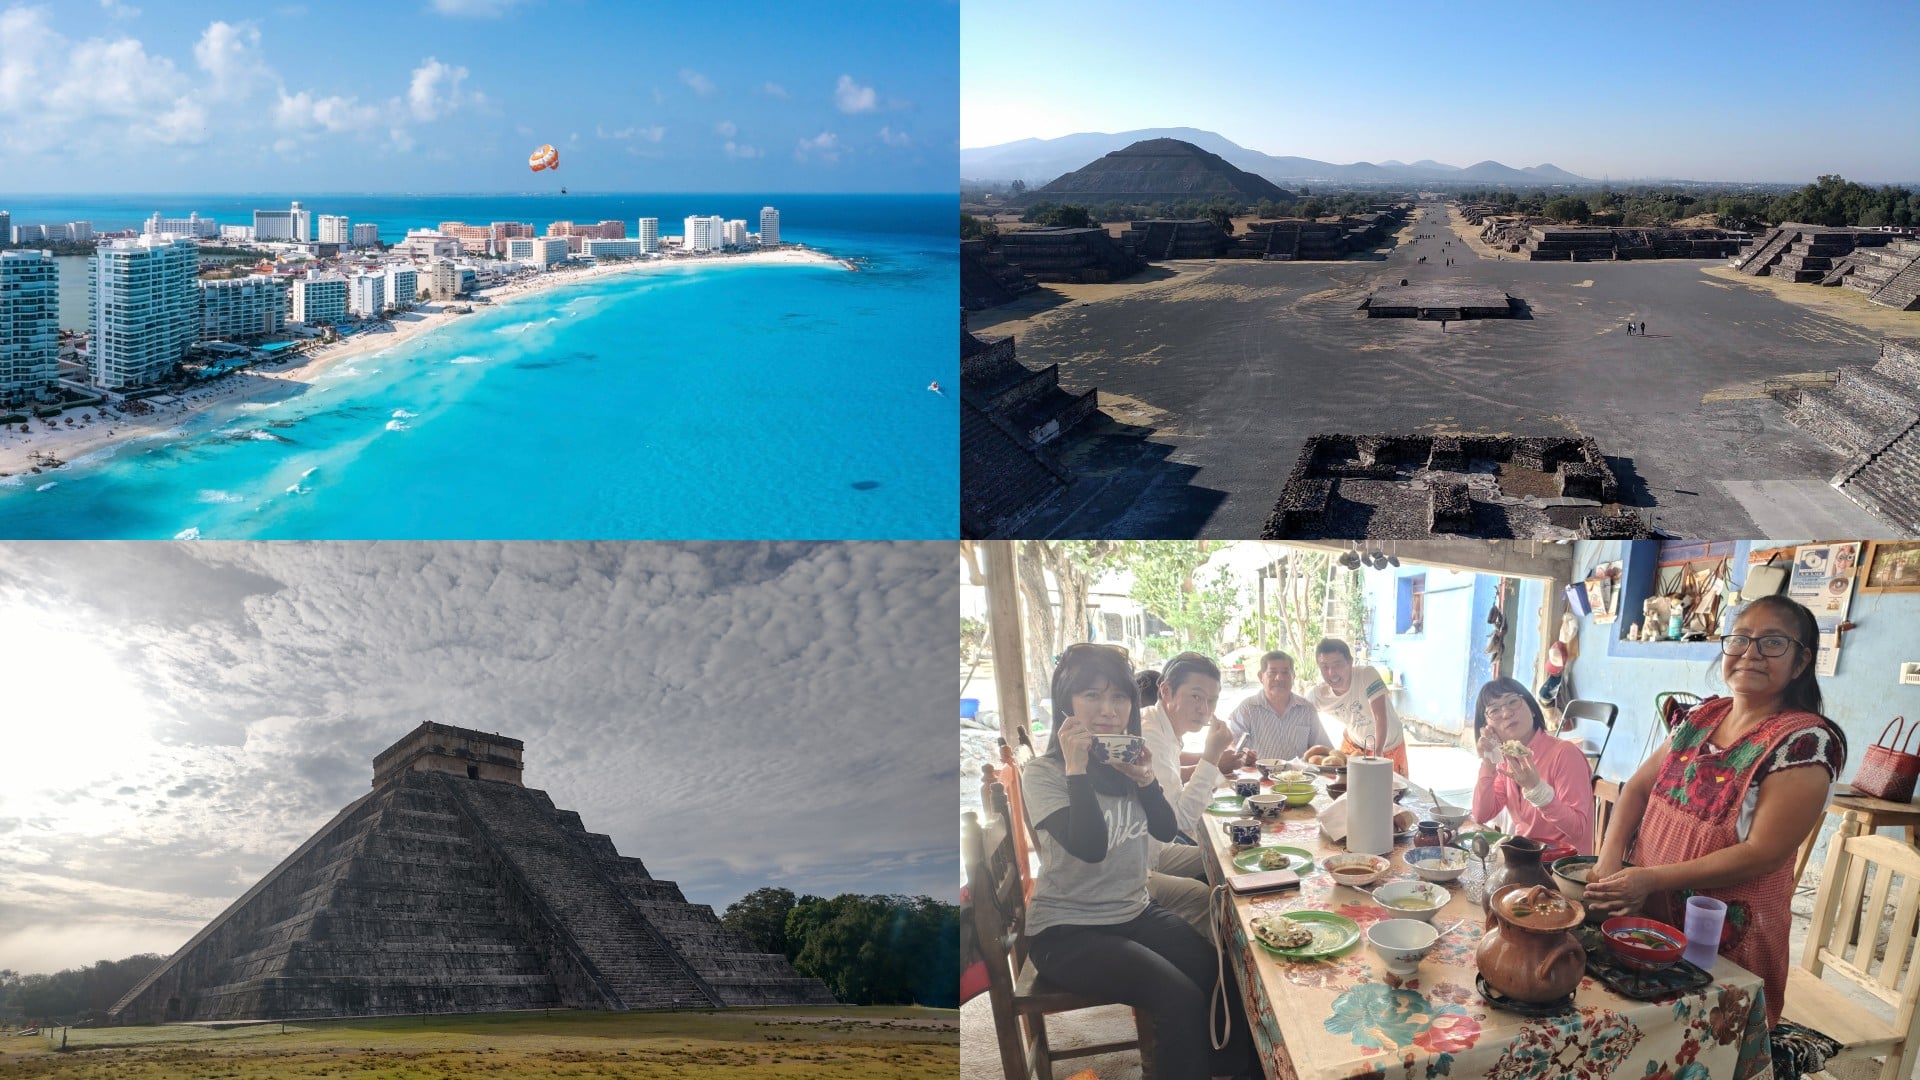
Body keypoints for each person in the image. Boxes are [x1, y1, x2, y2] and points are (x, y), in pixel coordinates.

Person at [1585, 595, 1846, 1029]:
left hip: (1724, 940)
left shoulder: (1804, 744)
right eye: (1740, 640)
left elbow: (1765, 853)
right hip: (1647, 915)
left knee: (1702, 1041)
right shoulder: (1700, 718)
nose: (1751, 654)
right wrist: (1609, 863)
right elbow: (1636, 789)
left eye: (1772, 643)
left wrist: (1651, 878)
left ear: (1801, 662)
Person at [1020, 644, 1252, 1080]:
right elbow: (1090, 846)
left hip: (1132, 910)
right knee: (1178, 997)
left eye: (1119, 697)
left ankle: (1229, 1069)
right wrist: (1076, 768)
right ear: (1066, 703)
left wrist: (1146, 780)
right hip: (1067, 932)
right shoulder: (1045, 772)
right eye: (1092, 696)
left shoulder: (1122, 761)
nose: (1108, 711)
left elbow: (1166, 831)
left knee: (1222, 972)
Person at [1139, 653, 1245, 937]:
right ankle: (1219, 971)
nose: (1205, 709)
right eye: (1196, 697)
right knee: (1201, 894)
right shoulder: (1150, 736)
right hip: (1135, 865)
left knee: (1228, 857)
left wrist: (1211, 760)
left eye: (1212, 700)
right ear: (1166, 690)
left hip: (1151, 849)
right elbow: (1179, 821)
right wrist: (1212, 754)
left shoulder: (1161, 726)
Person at [1469, 678, 1594, 854]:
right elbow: (1482, 814)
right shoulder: (1508, 757)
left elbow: (1578, 829)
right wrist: (1489, 763)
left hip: (1562, 866)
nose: (1506, 713)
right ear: (1487, 726)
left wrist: (1536, 789)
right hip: (1525, 859)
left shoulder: (1565, 754)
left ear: (1532, 709)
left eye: (1512, 702)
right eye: (1494, 710)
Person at [1307, 639, 1408, 775]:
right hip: (1354, 745)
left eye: (1337, 665)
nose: (1331, 673)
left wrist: (1378, 755)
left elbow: (1380, 717)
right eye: (1325, 667)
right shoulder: (1318, 695)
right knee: (1344, 790)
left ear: (1350, 662)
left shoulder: (1366, 674)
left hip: (1389, 745)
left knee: (1391, 792)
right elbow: (1298, 713)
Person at [1226, 650, 1333, 763]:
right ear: (1260, 676)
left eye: (1285, 672)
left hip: (1299, 777)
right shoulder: (1247, 709)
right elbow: (1233, 747)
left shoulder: (1307, 710)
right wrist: (1243, 755)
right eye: (1272, 672)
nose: (1279, 678)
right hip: (1260, 777)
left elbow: (1324, 750)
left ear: (1293, 676)